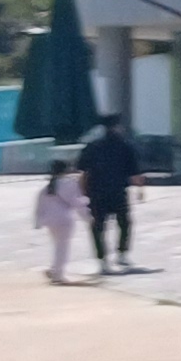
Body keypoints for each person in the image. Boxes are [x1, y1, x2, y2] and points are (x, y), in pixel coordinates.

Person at [77, 114, 145, 274]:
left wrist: (82, 191)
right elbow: (135, 172)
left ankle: (102, 260)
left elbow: (83, 171)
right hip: (118, 191)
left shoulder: (92, 146)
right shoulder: (125, 145)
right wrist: (141, 189)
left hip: (96, 192)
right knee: (125, 223)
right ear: (116, 127)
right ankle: (122, 254)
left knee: (98, 226)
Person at [31, 155, 85, 283]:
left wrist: (38, 221)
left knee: (57, 246)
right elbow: (76, 202)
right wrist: (88, 217)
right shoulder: (70, 184)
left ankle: (55, 269)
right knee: (63, 247)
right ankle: (58, 273)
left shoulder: (47, 188)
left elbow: (40, 205)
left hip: (50, 220)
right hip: (65, 219)